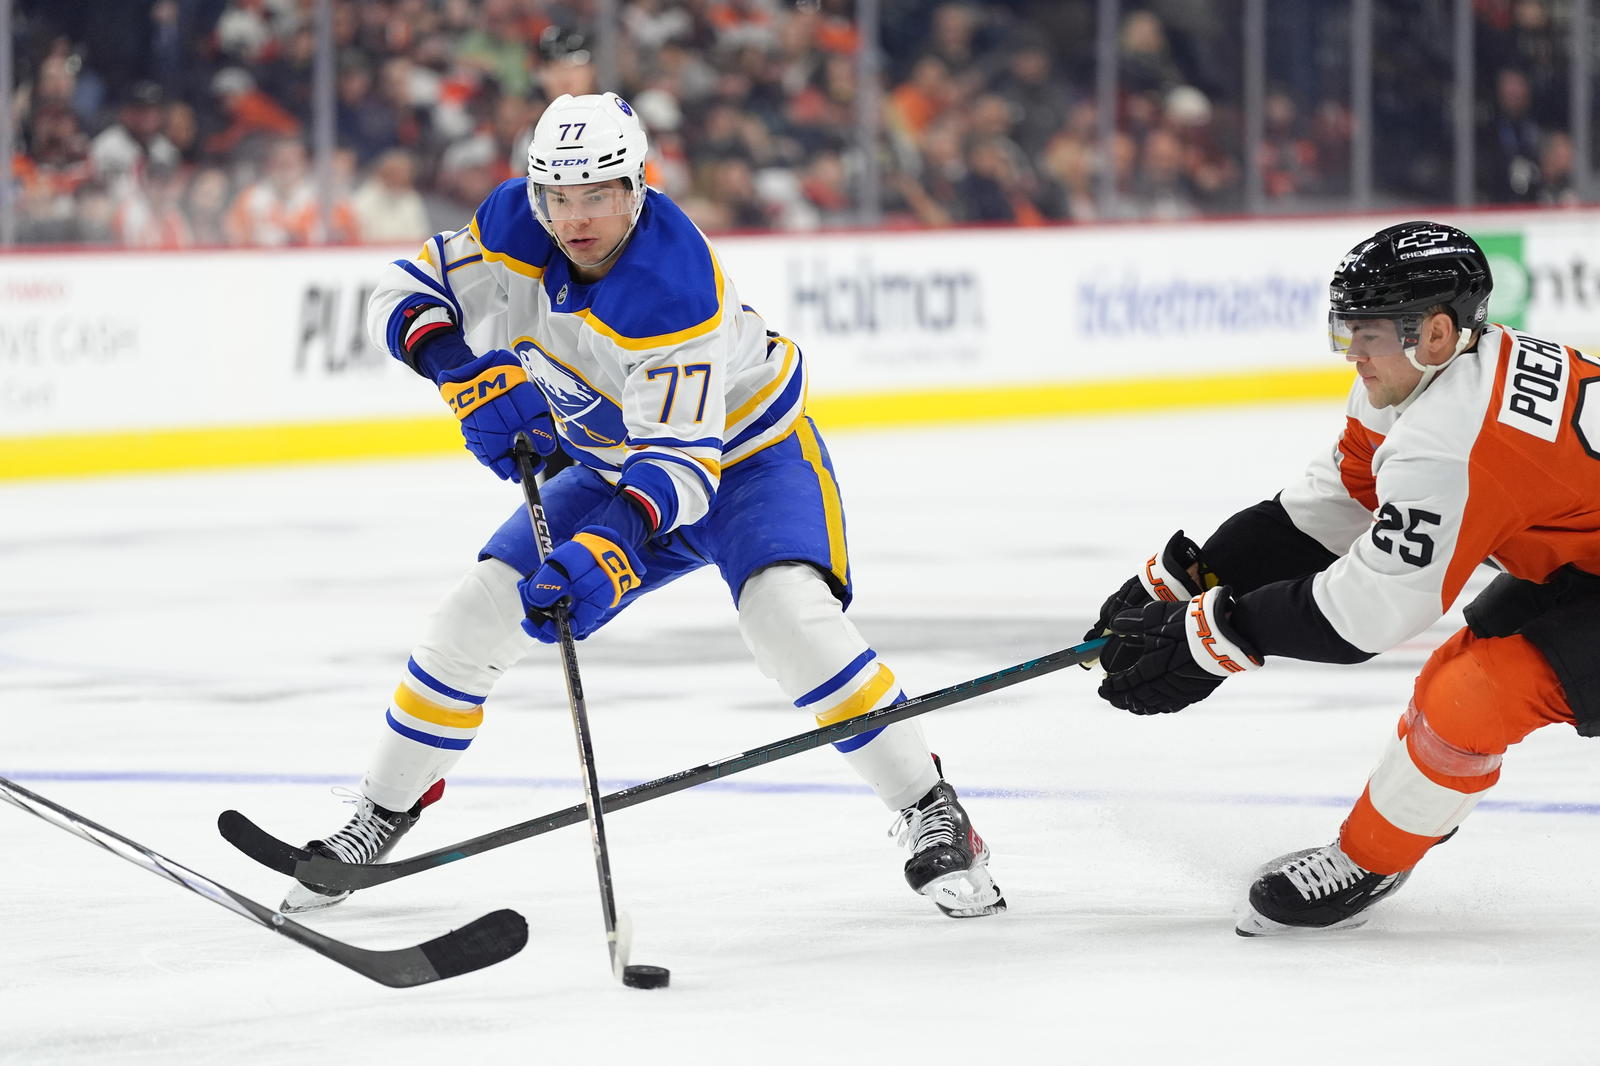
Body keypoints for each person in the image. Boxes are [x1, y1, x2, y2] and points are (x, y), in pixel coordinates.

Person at [280, 92, 1003, 920]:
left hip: (745, 462)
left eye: (598, 195)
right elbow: (409, 287)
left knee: (786, 619)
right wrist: (455, 367)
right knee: (473, 615)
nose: (575, 217)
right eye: (558, 195)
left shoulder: (671, 285)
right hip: (612, 458)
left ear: (637, 186)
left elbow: (684, 466)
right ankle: (382, 810)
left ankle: (930, 806)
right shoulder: (513, 226)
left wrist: (610, 548)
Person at [1085, 220, 1600, 935]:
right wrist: (1187, 581)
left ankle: (1369, 859)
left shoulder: (1451, 442)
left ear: (1439, 333)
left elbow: (1370, 611)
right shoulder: (1421, 381)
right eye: (1345, 331)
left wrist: (1212, 637)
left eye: (1369, 335)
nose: (1352, 356)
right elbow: (1326, 511)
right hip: (1585, 558)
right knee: (1466, 679)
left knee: (1476, 694)